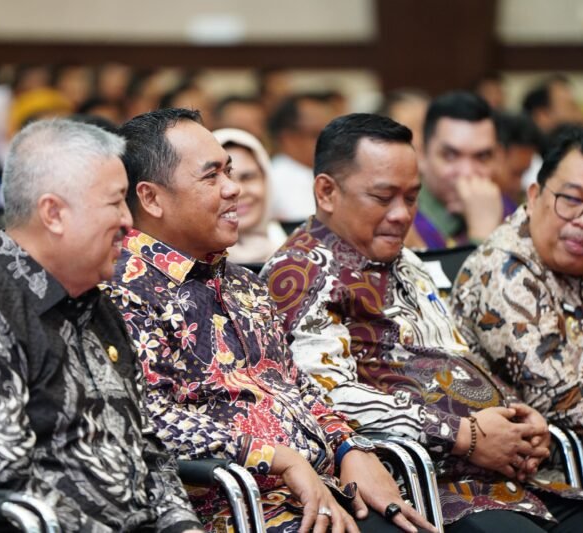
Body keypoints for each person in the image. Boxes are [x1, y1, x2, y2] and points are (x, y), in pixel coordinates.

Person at [263, 113, 583, 532]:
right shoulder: (300, 274)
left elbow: (457, 359)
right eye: (384, 198)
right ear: (327, 192)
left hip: (509, 476)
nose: (403, 215)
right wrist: (463, 433)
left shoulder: (408, 262)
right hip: (429, 485)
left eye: (411, 197)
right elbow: (326, 399)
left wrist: (520, 422)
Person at [106, 108, 433, 533]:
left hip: (319, 491)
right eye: (211, 177)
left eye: (231, 171)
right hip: (237, 508)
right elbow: (146, 420)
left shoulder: (241, 282)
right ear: (151, 198)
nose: (233, 189)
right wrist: (274, 456)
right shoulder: (121, 290)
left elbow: (294, 384)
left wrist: (348, 445)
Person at [0, 119, 203, 533]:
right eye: (115, 203)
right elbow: (6, 485)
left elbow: (146, 448)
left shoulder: (95, 301)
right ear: (53, 213)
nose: (128, 221)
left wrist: (183, 527)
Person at [452, 126, 583, 499]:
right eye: (571, 200)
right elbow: (562, 398)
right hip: (548, 477)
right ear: (534, 197)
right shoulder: (504, 273)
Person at [406, 91, 511, 250]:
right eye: (450, 156)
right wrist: (482, 235)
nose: (467, 172)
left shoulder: (510, 212)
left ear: (498, 158)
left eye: (482, 157)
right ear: (421, 154)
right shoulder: (402, 221)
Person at [213, 127, 286, 264]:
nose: (239, 191)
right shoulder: (193, 263)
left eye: (248, 177)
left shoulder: (295, 251)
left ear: (266, 180)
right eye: (225, 179)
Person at [268, 93, 334, 223]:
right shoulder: (273, 181)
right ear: (288, 137)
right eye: (318, 134)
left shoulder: (335, 172)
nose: (331, 141)